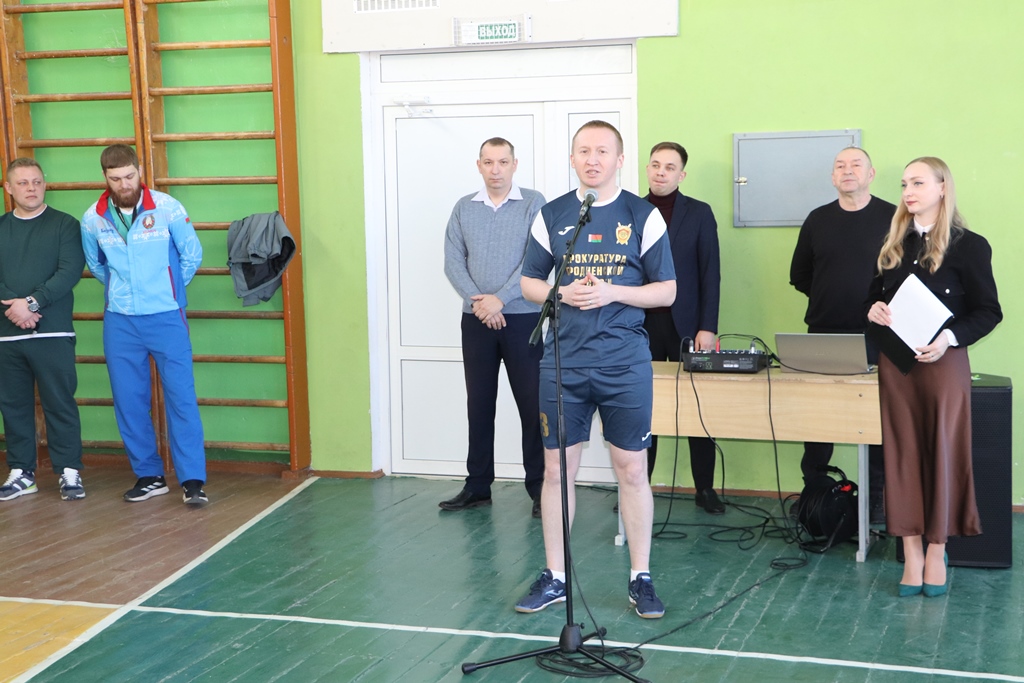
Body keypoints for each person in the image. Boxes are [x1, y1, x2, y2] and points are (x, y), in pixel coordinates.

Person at [515, 121, 676, 619]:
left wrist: (612, 292)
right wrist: (560, 293)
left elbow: (666, 291)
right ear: (572, 158)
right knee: (556, 470)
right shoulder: (553, 215)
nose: (592, 159)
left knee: (631, 468)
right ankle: (555, 576)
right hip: (562, 362)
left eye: (602, 151)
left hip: (623, 363)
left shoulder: (643, 215)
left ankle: (640, 576)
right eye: (583, 151)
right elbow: (528, 283)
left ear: (619, 159)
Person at [867, 157, 1000, 598]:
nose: (908, 191)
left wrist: (948, 338)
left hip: (944, 364)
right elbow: (872, 301)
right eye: (905, 184)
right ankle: (911, 553)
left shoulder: (970, 246)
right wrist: (873, 310)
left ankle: (937, 550)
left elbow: (988, 311)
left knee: (943, 451)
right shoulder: (892, 245)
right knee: (902, 455)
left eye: (918, 183)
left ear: (943, 188)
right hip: (897, 366)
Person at [80, 145, 209, 505]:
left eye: (129, 176)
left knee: (181, 398)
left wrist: (167, 290)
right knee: (129, 400)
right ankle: (150, 476)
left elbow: (192, 254)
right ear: (105, 178)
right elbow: (96, 264)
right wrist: (124, 294)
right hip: (120, 321)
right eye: (115, 178)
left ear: (140, 171)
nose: (124, 184)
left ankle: (192, 480)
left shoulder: (168, 208)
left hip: (166, 316)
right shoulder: (92, 218)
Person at [439, 138, 546, 517]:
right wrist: (480, 304)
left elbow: (536, 260)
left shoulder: (534, 204)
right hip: (476, 321)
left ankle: (540, 489)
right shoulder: (464, 208)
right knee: (479, 405)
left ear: (515, 164)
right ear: (479, 165)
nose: (495, 169)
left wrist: (500, 298)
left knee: (532, 407)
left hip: (524, 320)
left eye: (502, 162)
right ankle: (477, 486)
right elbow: (453, 261)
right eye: (488, 162)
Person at [789, 146, 894, 523]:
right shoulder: (817, 219)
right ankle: (815, 495)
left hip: (878, 335)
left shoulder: (894, 218)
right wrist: (828, 296)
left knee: (877, 417)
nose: (848, 171)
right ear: (833, 176)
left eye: (856, 165)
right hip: (824, 332)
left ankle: (878, 499)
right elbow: (800, 275)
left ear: (871, 173)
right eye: (840, 165)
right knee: (817, 420)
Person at [643, 142, 723, 514]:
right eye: (655, 165)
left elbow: (710, 273)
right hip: (639, 325)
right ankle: (637, 487)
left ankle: (704, 488)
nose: (661, 172)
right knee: (640, 407)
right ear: (648, 168)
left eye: (669, 167)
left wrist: (708, 326)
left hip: (688, 326)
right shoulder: (631, 210)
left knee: (697, 408)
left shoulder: (699, 213)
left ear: (681, 174)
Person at [0, 158, 86, 502]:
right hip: (7, 335)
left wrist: (32, 304)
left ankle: (69, 471)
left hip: (53, 333)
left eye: (36, 181)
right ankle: (22, 472)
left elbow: (69, 271)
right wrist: (15, 309)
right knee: (13, 406)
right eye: (23, 183)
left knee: (60, 404)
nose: (31, 188)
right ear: (9, 188)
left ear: (44, 184)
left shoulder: (65, 225)